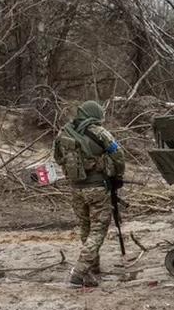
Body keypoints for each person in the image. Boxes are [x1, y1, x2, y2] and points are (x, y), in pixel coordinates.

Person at [53, 100, 125, 287]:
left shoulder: (64, 132)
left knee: (85, 227)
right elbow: (118, 154)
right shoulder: (99, 133)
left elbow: (58, 158)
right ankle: (80, 270)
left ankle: (92, 269)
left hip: (76, 188)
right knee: (98, 229)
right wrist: (118, 175)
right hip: (97, 187)